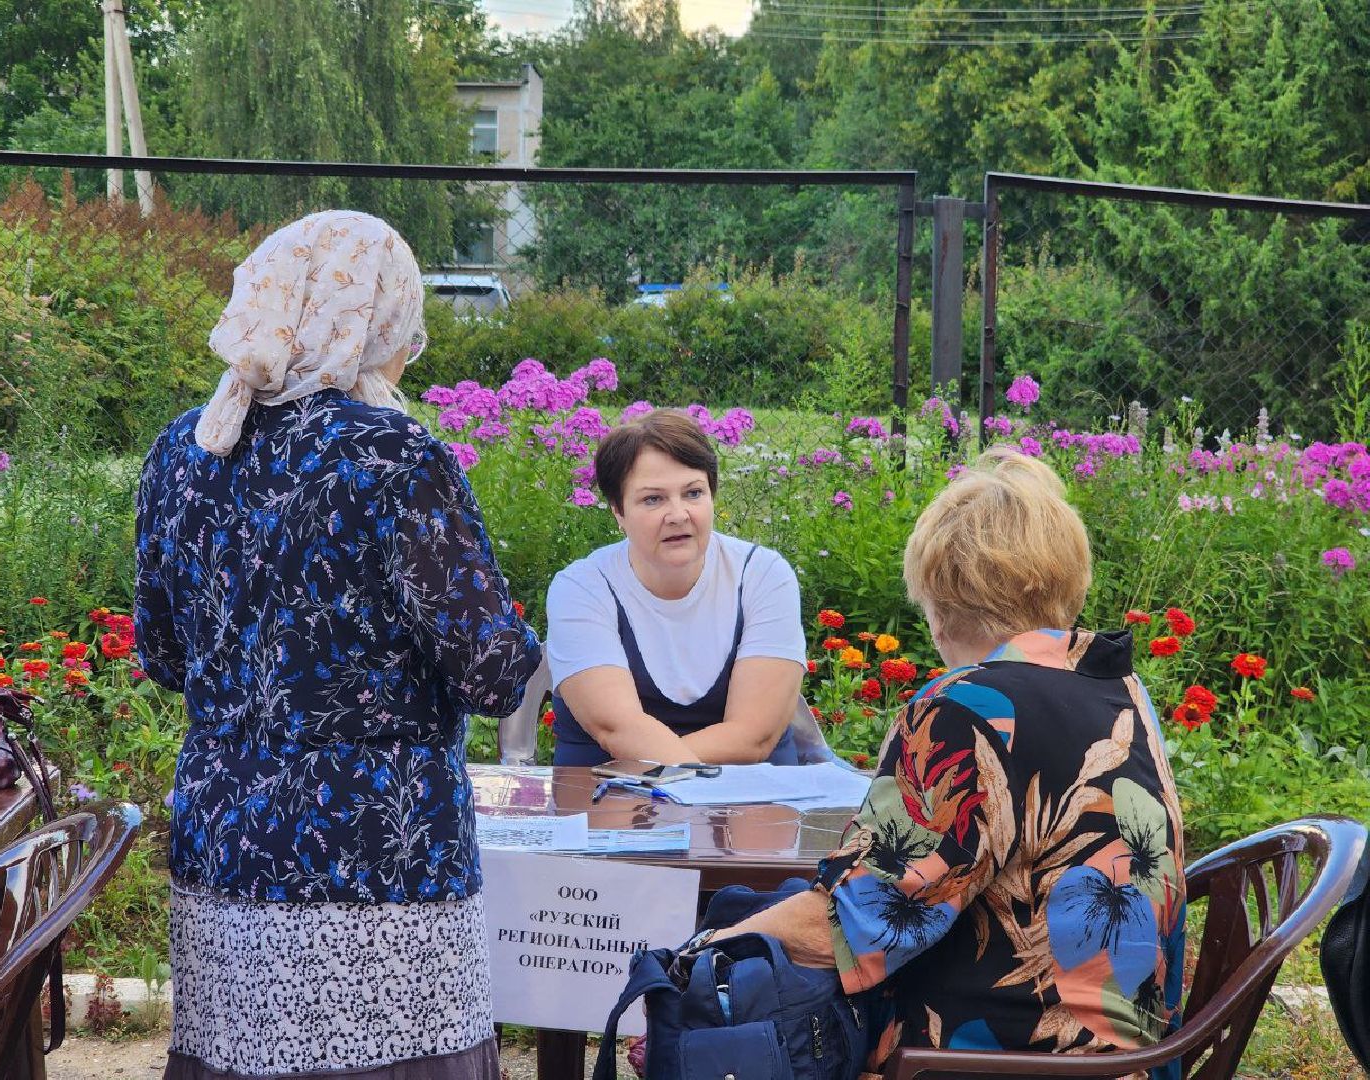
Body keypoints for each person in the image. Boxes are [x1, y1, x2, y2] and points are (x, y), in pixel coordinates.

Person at [135, 210, 541, 1080]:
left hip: (225, 847)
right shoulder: (392, 454)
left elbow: (163, 658)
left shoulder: (184, 449)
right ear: (371, 318)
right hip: (377, 858)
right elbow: (491, 670)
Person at [703, 447, 1187, 1076]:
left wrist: (702, 951)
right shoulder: (1114, 684)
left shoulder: (967, 708)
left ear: (938, 600)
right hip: (1122, 1057)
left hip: (995, 1062)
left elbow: (852, 928)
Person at [545, 409, 806, 766]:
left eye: (693, 493)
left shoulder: (764, 576)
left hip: (751, 794)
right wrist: (684, 778)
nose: (678, 514)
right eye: (653, 499)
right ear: (618, 511)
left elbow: (754, 737)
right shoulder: (581, 588)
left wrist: (667, 770)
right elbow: (617, 729)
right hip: (609, 795)